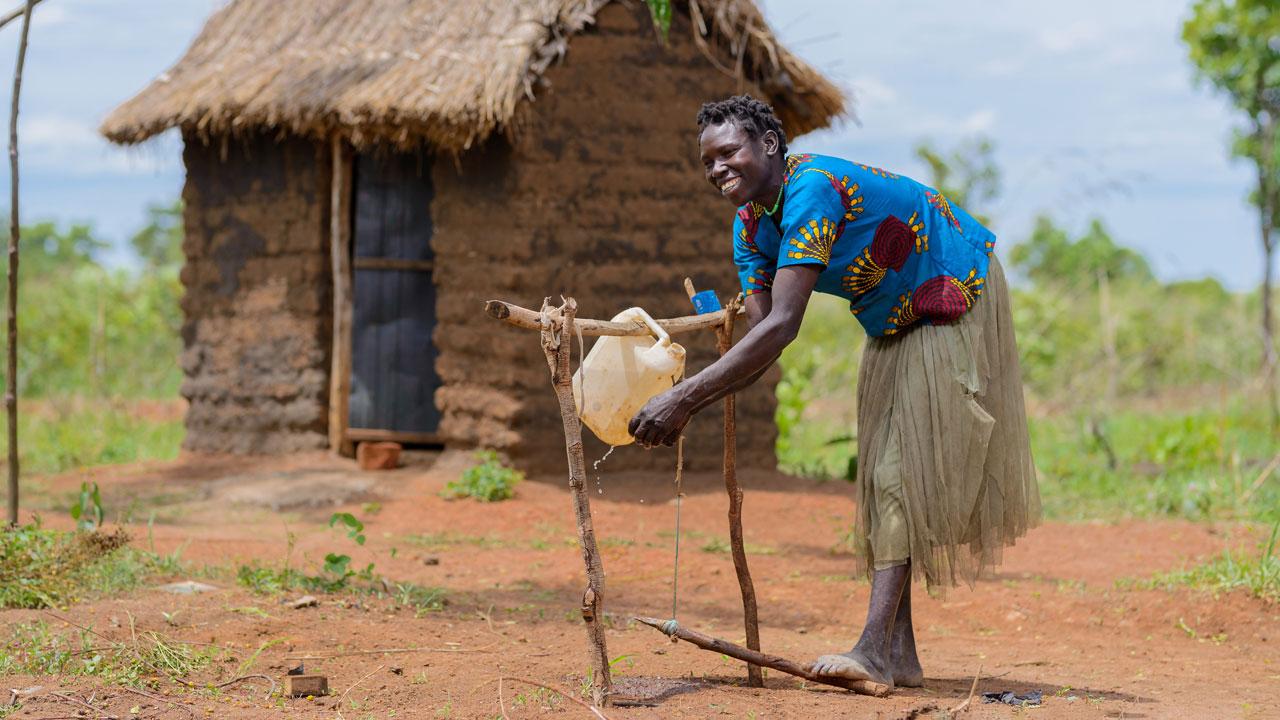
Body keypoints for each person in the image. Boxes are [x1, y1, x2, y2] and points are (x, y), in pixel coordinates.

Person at [628, 95, 1040, 690]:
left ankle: (873, 650)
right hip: (891, 316)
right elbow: (766, 339)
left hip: (947, 291)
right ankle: (899, 654)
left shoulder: (811, 188)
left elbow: (783, 323)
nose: (717, 169)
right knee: (881, 476)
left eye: (728, 153)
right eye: (707, 161)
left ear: (768, 145)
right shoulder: (748, 226)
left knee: (901, 471)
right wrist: (689, 395)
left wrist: (684, 399)